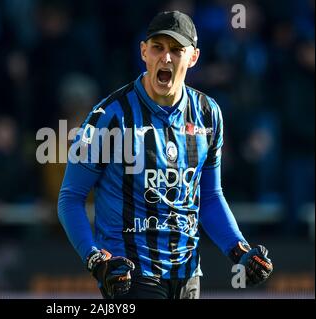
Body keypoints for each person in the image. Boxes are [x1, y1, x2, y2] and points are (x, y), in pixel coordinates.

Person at [57, 11, 273, 299]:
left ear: (193, 57)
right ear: (144, 52)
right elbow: (70, 198)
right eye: (158, 47)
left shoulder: (209, 114)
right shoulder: (109, 117)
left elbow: (209, 197)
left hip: (188, 275)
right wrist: (97, 260)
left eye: (176, 50)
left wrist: (239, 250)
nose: (166, 58)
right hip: (131, 274)